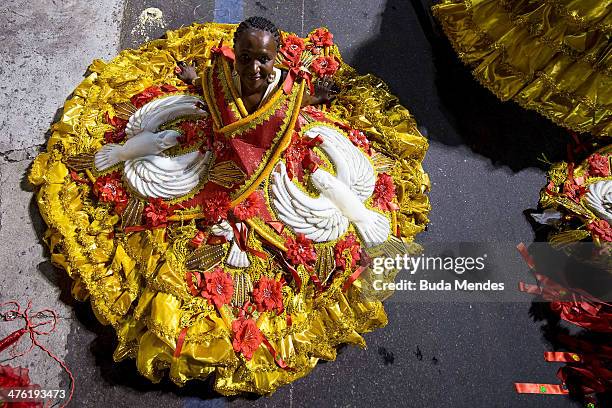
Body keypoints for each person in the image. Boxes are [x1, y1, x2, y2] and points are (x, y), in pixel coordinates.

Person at [29, 16, 430, 395]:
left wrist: (313, 99)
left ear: (276, 59)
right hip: (214, 160)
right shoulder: (219, 75)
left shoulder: (286, 95)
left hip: (267, 172)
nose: (254, 68)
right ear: (234, 53)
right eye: (246, 57)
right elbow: (208, 87)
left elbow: (294, 105)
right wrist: (193, 80)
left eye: (265, 59)